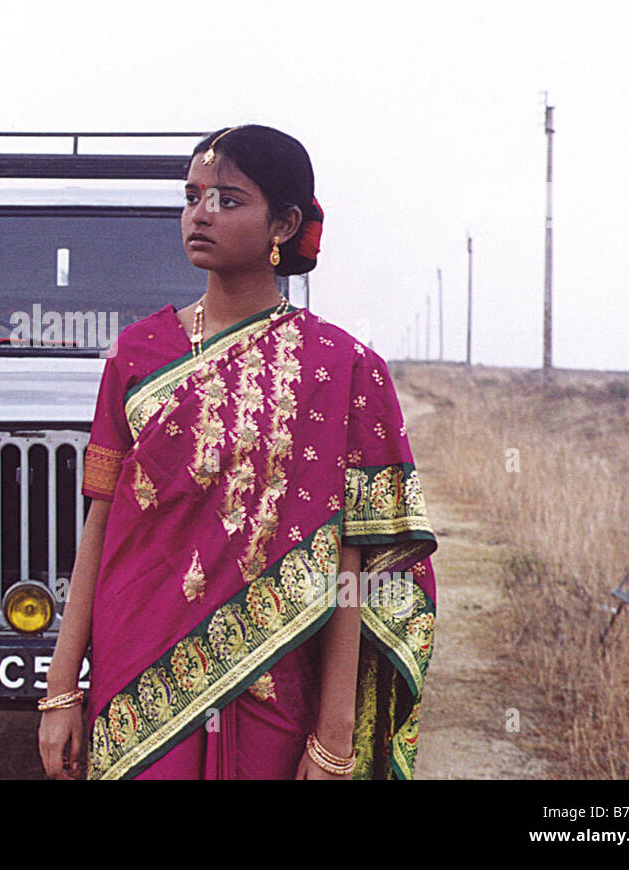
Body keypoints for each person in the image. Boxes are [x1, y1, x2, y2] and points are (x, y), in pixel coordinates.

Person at [38, 125, 437, 780]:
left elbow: (352, 558)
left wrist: (336, 730)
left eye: (228, 199)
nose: (201, 214)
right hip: (136, 668)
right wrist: (62, 689)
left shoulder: (344, 367)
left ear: (283, 222)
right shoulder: (134, 355)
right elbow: (100, 522)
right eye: (193, 197)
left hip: (273, 676)